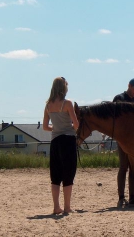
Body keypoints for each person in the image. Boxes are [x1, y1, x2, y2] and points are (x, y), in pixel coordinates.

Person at [43, 76, 79, 214]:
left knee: (55, 175)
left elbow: (45, 127)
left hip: (55, 141)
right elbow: (76, 124)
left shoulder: (47, 105)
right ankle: (67, 207)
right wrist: (68, 126)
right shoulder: (67, 103)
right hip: (68, 140)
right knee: (68, 174)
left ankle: (56, 206)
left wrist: (57, 127)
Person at [112, 78, 134, 207]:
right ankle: (121, 197)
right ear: (129, 86)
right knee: (123, 167)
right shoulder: (119, 98)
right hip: (123, 139)